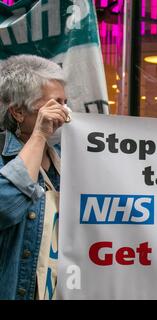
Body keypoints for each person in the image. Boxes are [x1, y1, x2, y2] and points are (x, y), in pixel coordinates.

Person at [0, 55, 70, 299]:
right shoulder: (2, 158)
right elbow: (6, 208)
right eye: (54, 103)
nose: (64, 111)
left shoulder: (66, 159)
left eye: (65, 102)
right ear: (18, 112)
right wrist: (39, 134)